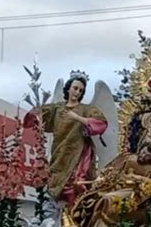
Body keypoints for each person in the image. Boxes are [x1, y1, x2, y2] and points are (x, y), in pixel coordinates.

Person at [25, 73, 108, 205]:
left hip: (79, 153)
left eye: (81, 90)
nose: (77, 92)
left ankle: (76, 214)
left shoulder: (87, 109)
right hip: (59, 151)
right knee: (57, 184)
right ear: (68, 88)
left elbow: (101, 124)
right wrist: (35, 113)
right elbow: (37, 119)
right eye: (75, 88)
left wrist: (76, 117)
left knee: (75, 184)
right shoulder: (57, 108)